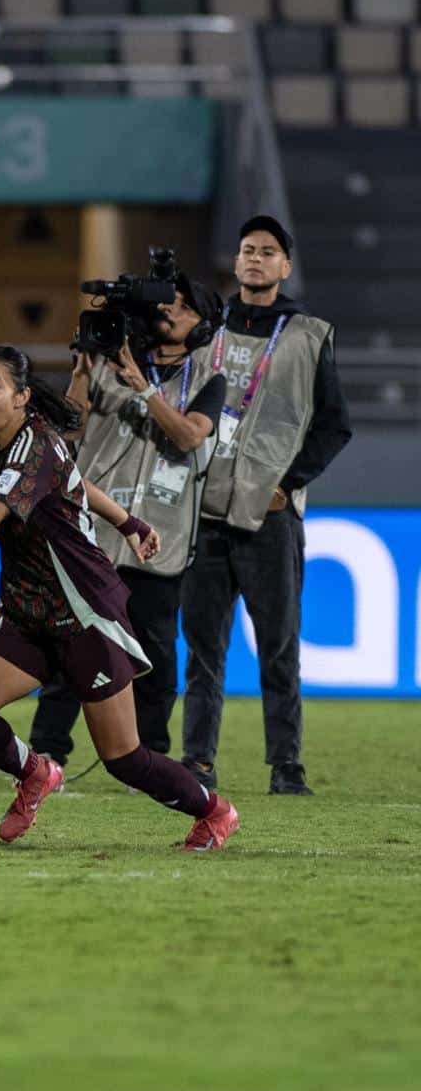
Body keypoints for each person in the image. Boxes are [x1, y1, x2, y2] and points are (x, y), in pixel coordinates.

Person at [0, 346, 240, 851]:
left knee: (124, 759)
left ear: (22, 397)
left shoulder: (30, 446)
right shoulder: (15, 442)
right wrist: (128, 521)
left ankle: (214, 811)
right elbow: (77, 481)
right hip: (26, 609)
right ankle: (35, 774)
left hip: (83, 611)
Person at [181, 216, 353, 797]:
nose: (256, 258)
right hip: (205, 513)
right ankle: (196, 763)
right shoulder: (206, 330)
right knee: (204, 651)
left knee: (278, 647)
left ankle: (286, 766)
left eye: (269, 251)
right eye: (247, 250)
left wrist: (291, 481)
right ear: (235, 263)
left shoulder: (308, 334)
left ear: (286, 266)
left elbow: (335, 426)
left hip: (270, 515)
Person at [31, 279, 227, 768]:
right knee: (70, 638)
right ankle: (47, 748)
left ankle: (151, 753)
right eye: (169, 302)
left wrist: (143, 386)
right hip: (95, 527)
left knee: (157, 649)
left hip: (160, 533)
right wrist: (82, 367)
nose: (171, 310)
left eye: (185, 307)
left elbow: (187, 438)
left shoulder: (208, 377)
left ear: (203, 326)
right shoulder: (104, 363)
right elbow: (69, 424)